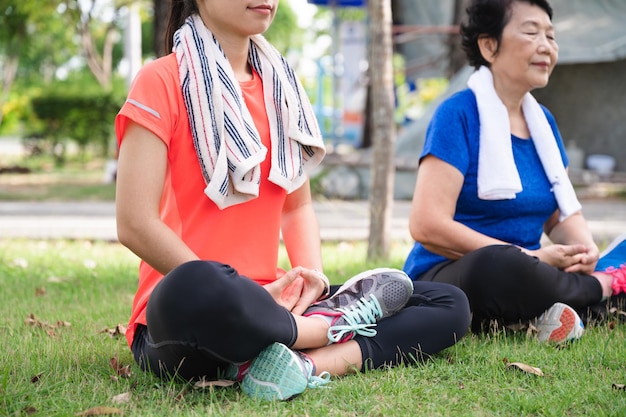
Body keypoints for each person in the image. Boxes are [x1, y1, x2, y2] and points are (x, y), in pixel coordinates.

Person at [115, 0, 471, 401]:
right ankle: (319, 333)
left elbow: (297, 206)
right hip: (190, 318)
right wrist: (248, 300)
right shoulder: (160, 80)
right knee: (196, 285)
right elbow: (134, 223)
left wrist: (312, 284)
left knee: (448, 303)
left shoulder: (280, 86)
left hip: (277, 305)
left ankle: (305, 364)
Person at [403, 0, 626, 343]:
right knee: (496, 264)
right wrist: (532, 256)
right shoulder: (457, 115)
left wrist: (584, 250)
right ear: (489, 45)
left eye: (551, 36)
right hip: (459, 274)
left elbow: (557, 214)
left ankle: (563, 307)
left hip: (536, 271)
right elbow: (426, 224)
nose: (546, 46)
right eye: (531, 32)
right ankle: (601, 291)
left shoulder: (544, 123)